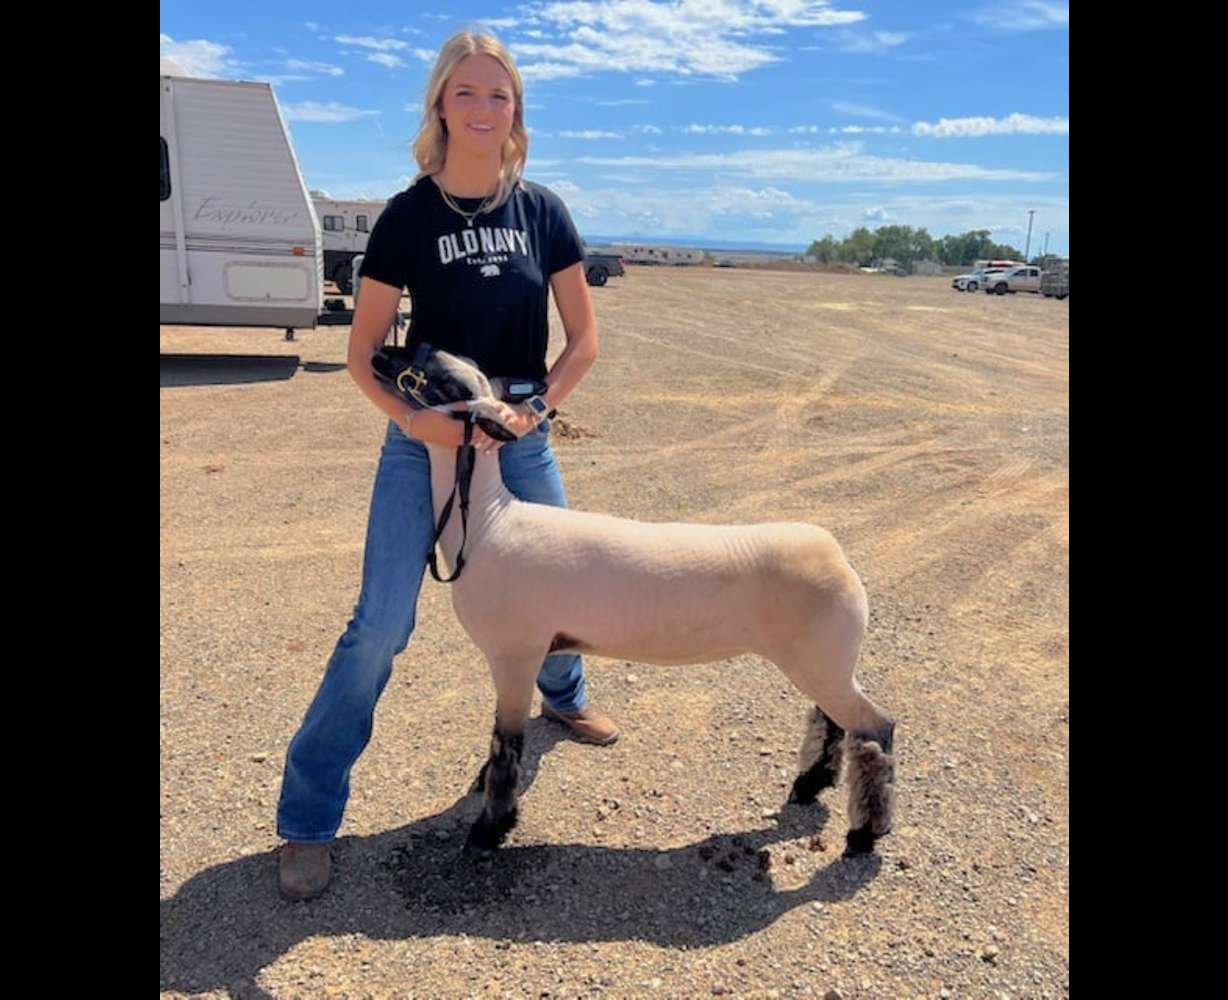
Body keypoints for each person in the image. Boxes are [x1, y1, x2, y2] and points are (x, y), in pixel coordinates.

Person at [276, 31, 618, 901]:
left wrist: (535, 412)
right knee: (381, 623)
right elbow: (361, 356)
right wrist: (415, 423)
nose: (481, 108)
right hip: (424, 443)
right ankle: (308, 819)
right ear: (440, 105)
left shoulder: (542, 211)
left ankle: (563, 693)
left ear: (515, 113)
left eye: (497, 96)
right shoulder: (407, 216)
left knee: (567, 593)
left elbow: (583, 340)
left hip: (519, 438)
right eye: (465, 93)